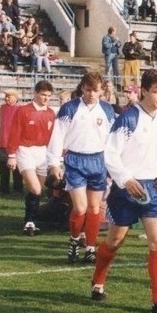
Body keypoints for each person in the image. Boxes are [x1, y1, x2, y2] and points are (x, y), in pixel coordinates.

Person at [90, 69, 157, 313]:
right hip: (127, 190)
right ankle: (98, 280)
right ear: (144, 91)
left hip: (154, 191)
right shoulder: (128, 118)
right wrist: (126, 179)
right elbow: (110, 153)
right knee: (115, 240)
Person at [47, 72, 116, 263]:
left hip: (98, 162)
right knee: (80, 208)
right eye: (88, 89)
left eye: (96, 90)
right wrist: (54, 163)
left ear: (102, 90)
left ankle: (91, 248)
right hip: (75, 161)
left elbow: (112, 141)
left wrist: (112, 165)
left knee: (94, 208)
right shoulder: (69, 108)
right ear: (82, 88)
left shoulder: (108, 110)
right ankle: (75, 241)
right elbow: (57, 136)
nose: (92, 94)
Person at [7, 80, 56, 236]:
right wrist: (11, 155)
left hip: (43, 152)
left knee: (37, 190)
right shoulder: (23, 111)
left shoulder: (50, 113)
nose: (45, 98)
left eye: (48, 95)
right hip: (25, 151)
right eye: (43, 95)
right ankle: (30, 221)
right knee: (35, 188)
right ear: (35, 94)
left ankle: (31, 221)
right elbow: (14, 133)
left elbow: (53, 137)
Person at [0, 88, 23, 194]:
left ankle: (18, 188)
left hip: (15, 142)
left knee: (17, 168)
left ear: (16, 98)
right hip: (2, 141)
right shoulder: (1, 108)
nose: (6, 98)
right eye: (6, 96)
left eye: (9, 96)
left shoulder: (21, 109)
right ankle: (4, 189)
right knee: (3, 167)